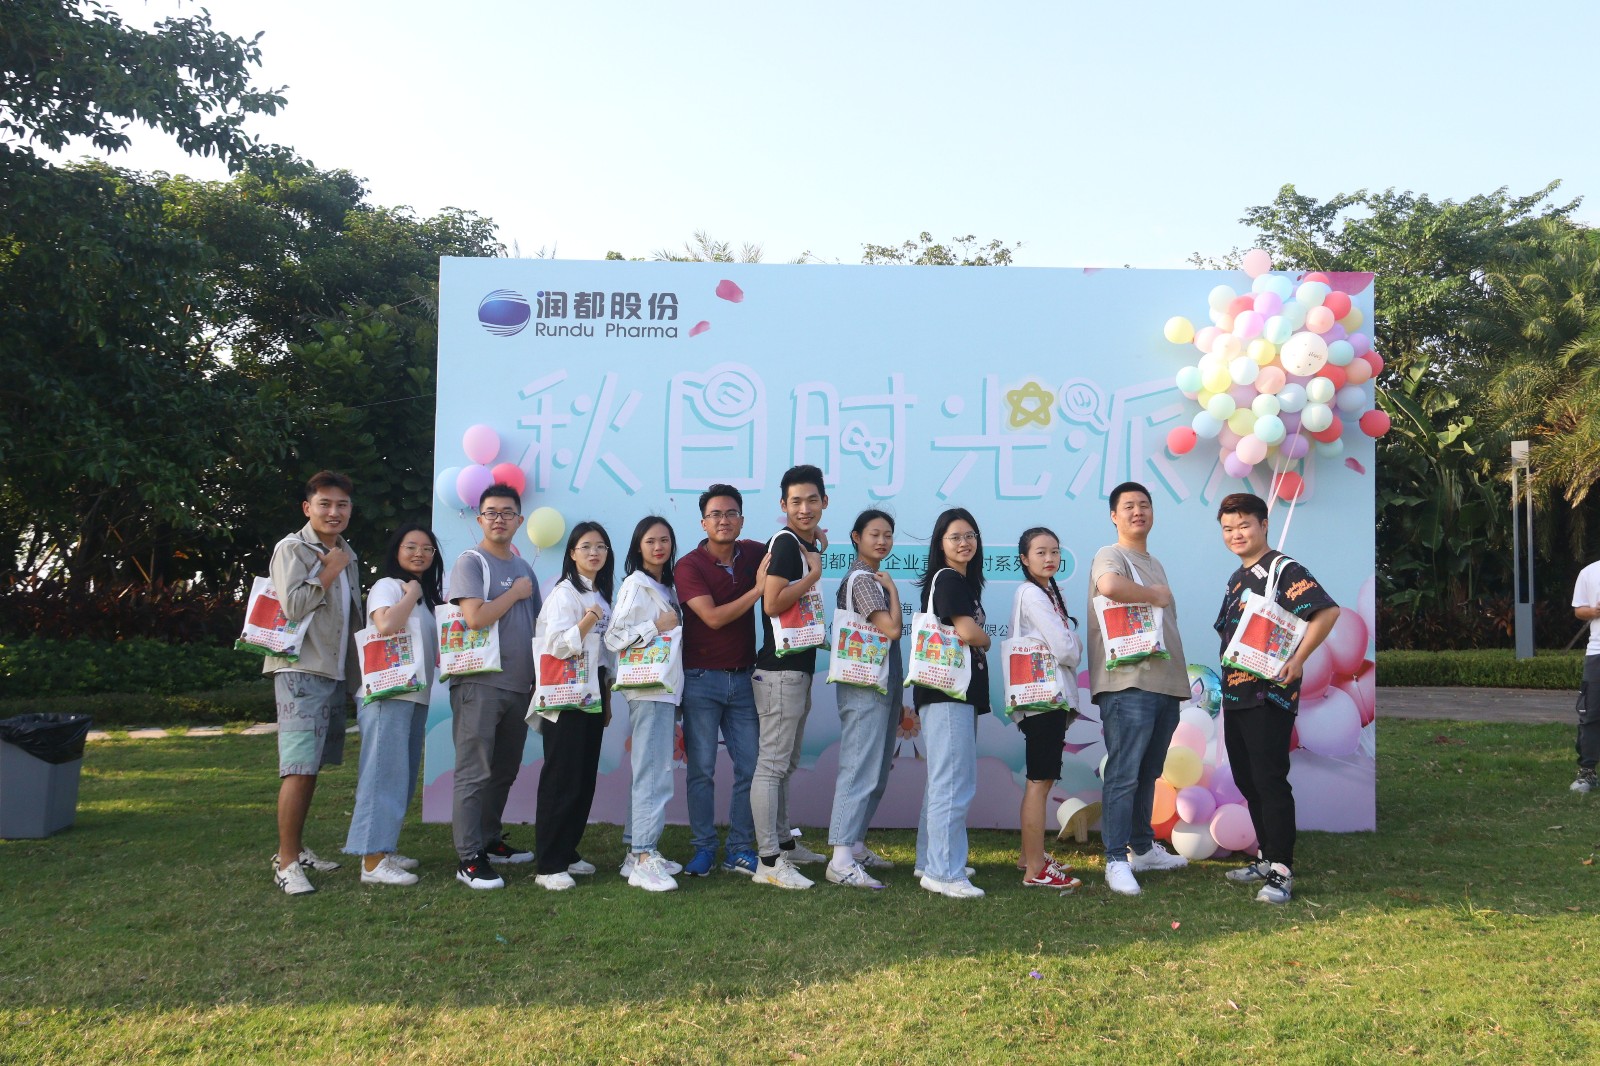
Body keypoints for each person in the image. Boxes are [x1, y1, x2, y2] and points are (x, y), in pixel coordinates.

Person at [1213, 493, 1339, 904]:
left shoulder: (1284, 569)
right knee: (1248, 779)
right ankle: (1266, 857)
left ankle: (1282, 869)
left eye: (1243, 525)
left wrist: (1298, 660)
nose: (1236, 534)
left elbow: (1327, 612)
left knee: (1269, 779)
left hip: (1269, 694)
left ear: (1264, 525)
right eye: (1228, 528)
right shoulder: (1237, 577)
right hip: (1236, 694)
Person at [1088, 481, 1191, 897]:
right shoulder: (1110, 554)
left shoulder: (1155, 562)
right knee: (1124, 772)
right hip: (1128, 682)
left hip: (1163, 683)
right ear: (1114, 516)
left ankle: (1143, 848)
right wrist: (1153, 595)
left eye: (1144, 505)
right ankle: (1116, 859)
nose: (1138, 512)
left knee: (1148, 771)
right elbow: (1109, 586)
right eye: (1128, 506)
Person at [264, 470, 363, 895]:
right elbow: (293, 605)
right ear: (308, 508)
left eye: (342, 504)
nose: (333, 512)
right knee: (298, 768)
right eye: (325, 504)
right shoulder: (293, 549)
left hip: (332, 671)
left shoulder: (346, 553)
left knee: (312, 767)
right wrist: (328, 572)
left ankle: (296, 849)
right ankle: (287, 862)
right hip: (301, 672)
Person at [673, 485, 771, 877]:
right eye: (715, 514)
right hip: (700, 680)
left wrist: (811, 536)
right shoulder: (689, 566)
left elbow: (788, 547)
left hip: (744, 679)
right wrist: (758, 590)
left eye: (731, 513)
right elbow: (712, 618)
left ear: (741, 520)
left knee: (752, 766)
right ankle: (703, 848)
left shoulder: (752, 552)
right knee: (701, 770)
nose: (723, 520)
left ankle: (739, 849)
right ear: (703, 522)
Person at [447, 483, 541, 891]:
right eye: (491, 512)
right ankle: (469, 857)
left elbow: (537, 628)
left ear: (519, 520)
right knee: (474, 771)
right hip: (479, 684)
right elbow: (475, 618)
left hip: (519, 685)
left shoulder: (524, 568)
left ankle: (489, 840)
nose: (499, 519)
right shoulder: (471, 562)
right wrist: (515, 594)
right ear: (479, 518)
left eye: (507, 513)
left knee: (504, 770)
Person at [343, 522, 443, 886]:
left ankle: (384, 847)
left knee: (400, 774)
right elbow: (385, 625)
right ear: (397, 550)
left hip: (413, 695)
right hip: (388, 695)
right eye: (411, 546)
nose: (420, 553)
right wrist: (411, 593)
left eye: (427, 549)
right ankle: (372, 860)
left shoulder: (426, 598)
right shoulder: (389, 586)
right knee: (382, 774)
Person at [751, 464, 831, 890]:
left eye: (812, 500)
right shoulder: (785, 544)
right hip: (779, 672)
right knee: (772, 765)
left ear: (824, 502)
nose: (804, 508)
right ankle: (768, 861)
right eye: (796, 501)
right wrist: (813, 575)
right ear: (783, 505)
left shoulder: (801, 543)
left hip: (794, 670)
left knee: (786, 763)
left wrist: (815, 546)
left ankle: (783, 844)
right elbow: (772, 603)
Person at [530, 522, 615, 890]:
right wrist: (589, 618)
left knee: (582, 777)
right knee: (561, 777)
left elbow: (605, 656)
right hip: (566, 695)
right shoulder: (565, 594)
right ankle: (549, 864)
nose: (594, 553)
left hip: (593, 692)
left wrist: (607, 700)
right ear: (572, 553)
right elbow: (558, 646)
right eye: (586, 546)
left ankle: (566, 850)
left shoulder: (600, 594)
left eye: (600, 547)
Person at [912, 507, 991, 900]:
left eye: (970, 535)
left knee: (943, 781)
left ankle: (930, 860)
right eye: (956, 536)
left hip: (949, 693)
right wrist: (986, 639)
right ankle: (943, 872)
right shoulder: (948, 579)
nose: (965, 543)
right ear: (940, 543)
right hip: (948, 694)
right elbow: (969, 632)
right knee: (954, 782)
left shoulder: (956, 581)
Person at [823, 509, 903, 890]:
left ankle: (853, 846)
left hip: (877, 682)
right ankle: (840, 860)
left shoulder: (871, 577)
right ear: (856, 537)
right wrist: (894, 592)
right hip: (864, 686)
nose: (882, 541)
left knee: (875, 769)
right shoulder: (865, 580)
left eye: (888, 534)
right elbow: (892, 629)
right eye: (874, 534)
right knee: (859, 768)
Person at [606, 516, 687, 892]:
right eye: (651, 540)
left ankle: (634, 852)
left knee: (651, 769)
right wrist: (657, 626)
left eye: (664, 540)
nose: (658, 547)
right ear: (638, 546)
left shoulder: (665, 586)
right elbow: (614, 637)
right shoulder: (636, 584)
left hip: (663, 688)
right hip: (648, 690)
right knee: (654, 772)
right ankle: (643, 856)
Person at [1010, 527, 1084, 891]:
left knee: (1041, 779)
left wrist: (1070, 640)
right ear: (1025, 559)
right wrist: (1074, 642)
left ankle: (1030, 856)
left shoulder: (1047, 592)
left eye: (1054, 551)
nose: (1049, 558)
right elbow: (1066, 649)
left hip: (1045, 699)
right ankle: (1035, 869)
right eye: (1040, 552)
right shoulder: (1032, 594)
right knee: (1039, 782)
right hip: (1044, 700)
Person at [1570, 560, 1600, 793]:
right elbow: (1579, 610)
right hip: (1597, 652)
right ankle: (1587, 772)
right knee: (1591, 713)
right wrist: (1594, 611)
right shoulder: (1589, 572)